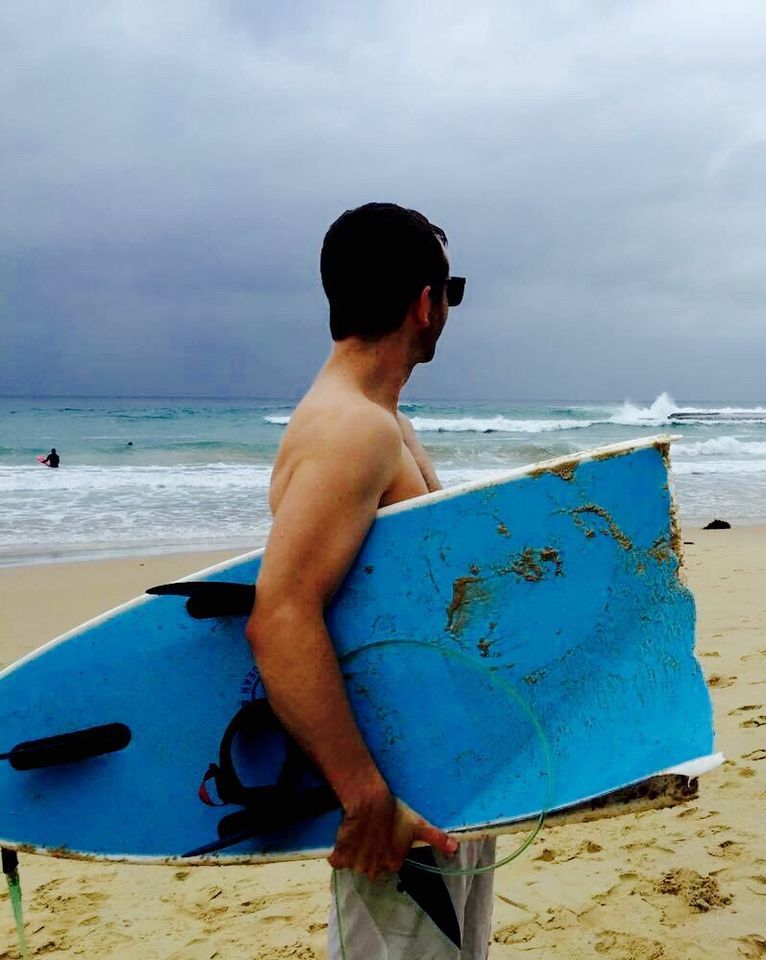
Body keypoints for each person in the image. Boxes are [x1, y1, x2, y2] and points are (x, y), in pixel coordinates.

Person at [244, 203, 492, 959]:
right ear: (425, 301)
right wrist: (365, 796)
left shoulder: (381, 422)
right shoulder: (354, 429)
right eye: (449, 291)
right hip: (397, 799)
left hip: (437, 780)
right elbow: (280, 612)